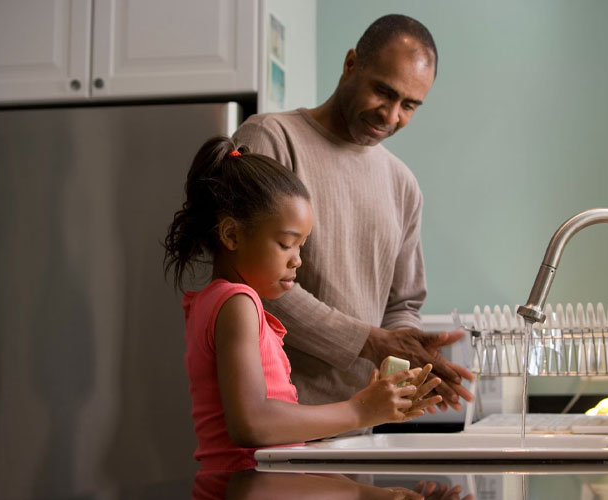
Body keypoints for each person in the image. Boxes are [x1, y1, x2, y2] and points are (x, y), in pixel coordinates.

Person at [233, 14, 474, 413]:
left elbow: (403, 304)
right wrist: (371, 341)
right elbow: (251, 282)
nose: (391, 115)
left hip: (359, 422)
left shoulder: (402, 184)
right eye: (384, 91)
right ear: (350, 65)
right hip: (275, 419)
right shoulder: (270, 139)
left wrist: (409, 353)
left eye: (409, 105)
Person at [163, 136, 442, 472]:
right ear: (232, 235)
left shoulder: (217, 301)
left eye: (301, 246)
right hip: (245, 489)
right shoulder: (238, 303)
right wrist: (359, 410)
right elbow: (252, 424)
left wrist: (367, 408)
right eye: (286, 244)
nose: (298, 261)